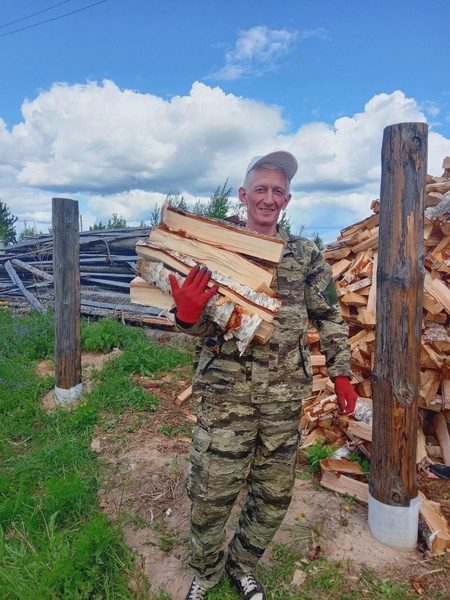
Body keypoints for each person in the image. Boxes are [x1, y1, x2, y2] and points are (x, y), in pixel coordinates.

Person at [169, 151, 358, 600]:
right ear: (243, 195)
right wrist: (187, 315)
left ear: (287, 199)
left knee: (272, 496)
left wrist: (342, 374)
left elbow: (329, 316)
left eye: (277, 191)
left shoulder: (305, 254)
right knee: (211, 494)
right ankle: (207, 573)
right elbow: (194, 317)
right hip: (226, 395)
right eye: (260, 189)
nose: (268, 198)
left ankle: (243, 565)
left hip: (283, 398)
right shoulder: (216, 249)